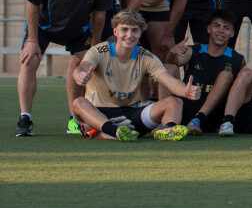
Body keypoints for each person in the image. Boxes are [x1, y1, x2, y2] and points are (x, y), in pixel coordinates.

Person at [16, 0, 113, 137]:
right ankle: (25, 118)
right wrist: (32, 40)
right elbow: (32, 3)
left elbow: (99, 15)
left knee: (85, 65)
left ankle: (74, 118)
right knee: (29, 60)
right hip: (43, 27)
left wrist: (94, 47)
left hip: (78, 30)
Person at [69, 9, 202, 142]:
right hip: (98, 114)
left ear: (140, 33)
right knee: (78, 102)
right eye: (124, 30)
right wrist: (79, 75)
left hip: (130, 117)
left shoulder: (146, 56)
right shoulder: (98, 51)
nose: (129, 35)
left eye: (134, 30)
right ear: (115, 31)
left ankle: (169, 129)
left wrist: (186, 91)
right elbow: (82, 67)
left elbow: (169, 81)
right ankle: (113, 131)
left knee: (175, 102)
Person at [164, 9, 245, 134]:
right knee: (168, 67)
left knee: (226, 75)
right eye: (216, 26)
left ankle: (198, 119)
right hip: (185, 109)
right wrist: (172, 53)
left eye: (226, 28)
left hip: (211, 116)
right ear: (209, 29)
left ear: (232, 33)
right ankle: (165, 120)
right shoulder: (194, 50)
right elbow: (173, 61)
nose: (221, 31)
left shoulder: (238, 59)